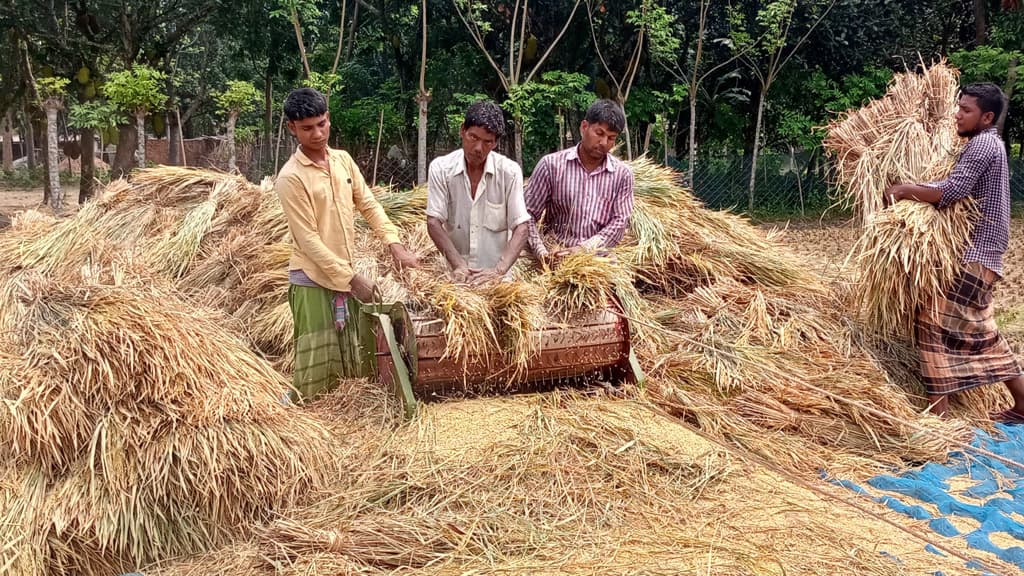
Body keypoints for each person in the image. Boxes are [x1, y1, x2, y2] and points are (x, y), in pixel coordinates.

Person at [884, 82, 1024, 419]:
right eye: (958, 107)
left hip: (976, 256)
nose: (957, 115)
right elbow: (954, 185)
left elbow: (952, 191)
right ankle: (1022, 406)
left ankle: (940, 415)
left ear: (986, 116)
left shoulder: (982, 146)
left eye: (966, 110)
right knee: (981, 333)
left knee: (931, 321)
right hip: (984, 256)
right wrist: (917, 189)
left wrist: (904, 190)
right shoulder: (990, 144)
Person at [275, 87, 419, 401]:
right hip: (313, 279)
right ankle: (301, 413)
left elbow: (369, 204)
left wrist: (394, 244)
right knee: (315, 364)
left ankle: (345, 409)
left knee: (355, 357)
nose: (317, 133)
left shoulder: (342, 161)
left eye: (322, 123)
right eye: (307, 128)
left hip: (344, 274)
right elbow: (308, 240)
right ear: (292, 128)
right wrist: (353, 280)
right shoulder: (291, 177)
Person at [426, 100, 531, 284]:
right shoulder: (441, 169)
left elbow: (521, 228)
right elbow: (433, 221)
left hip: (498, 283)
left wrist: (498, 271)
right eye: (473, 137)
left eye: (487, 142)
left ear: (495, 143)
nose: (478, 149)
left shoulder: (509, 172)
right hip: (455, 280)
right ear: (462, 130)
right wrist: (458, 265)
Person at [525, 99, 635, 260]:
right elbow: (527, 214)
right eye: (599, 133)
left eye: (611, 138)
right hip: (555, 255)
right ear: (584, 127)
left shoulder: (622, 175)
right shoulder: (551, 165)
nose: (604, 142)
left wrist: (583, 249)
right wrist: (541, 252)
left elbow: (619, 222)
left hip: (598, 261)